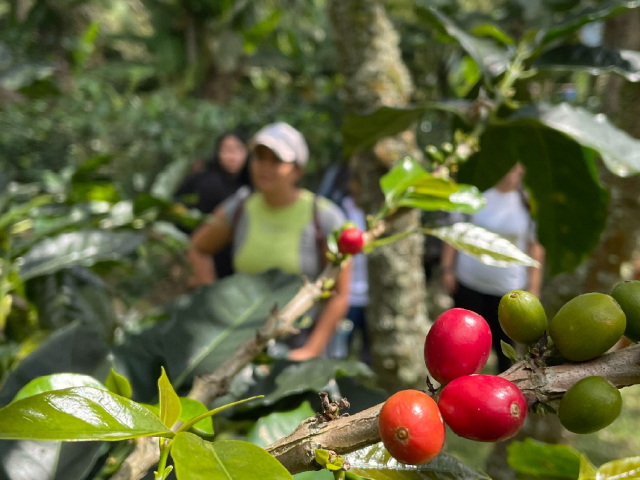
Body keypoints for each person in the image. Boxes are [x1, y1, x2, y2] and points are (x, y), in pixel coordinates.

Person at [188, 122, 351, 361]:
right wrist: (214, 301)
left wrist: (310, 350)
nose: (264, 167)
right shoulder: (240, 207)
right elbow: (197, 248)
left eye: (276, 161)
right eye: (259, 158)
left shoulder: (325, 216)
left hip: (298, 341)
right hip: (243, 341)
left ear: (297, 170)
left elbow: (340, 294)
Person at [440, 163, 545, 373]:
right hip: (469, 283)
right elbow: (455, 232)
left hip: (508, 292)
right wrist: (447, 268)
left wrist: (534, 288)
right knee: (463, 345)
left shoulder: (527, 203)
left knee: (505, 351)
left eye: (518, 169)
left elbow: (536, 247)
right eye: (509, 167)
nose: (513, 173)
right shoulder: (477, 196)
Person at [175, 131, 251, 280]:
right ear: (218, 152)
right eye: (228, 150)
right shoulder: (203, 181)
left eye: (238, 150)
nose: (233, 157)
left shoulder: (249, 188)